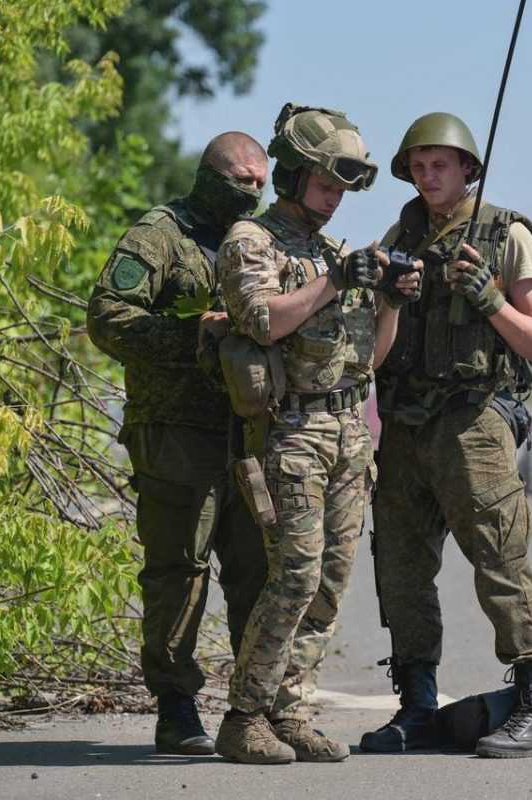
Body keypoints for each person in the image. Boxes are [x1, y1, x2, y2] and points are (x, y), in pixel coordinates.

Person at [212, 103, 420, 765]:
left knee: (330, 584)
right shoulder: (253, 241)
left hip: (348, 432)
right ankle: (245, 715)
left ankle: (290, 710)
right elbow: (264, 321)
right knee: (294, 578)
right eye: (326, 185)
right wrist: (335, 281)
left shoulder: (335, 252)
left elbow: (373, 357)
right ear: (295, 176)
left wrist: (390, 298)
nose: (333, 201)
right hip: (292, 433)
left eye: (341, 190)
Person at [360, 112, 532, 759]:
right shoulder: (402, 234)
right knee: (401, 569)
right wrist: (389, 296)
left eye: (439, 163)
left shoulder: (507, 235)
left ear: (468, 167)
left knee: (500, 560)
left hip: (475, 422)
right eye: (417, 166)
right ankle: (417, 706)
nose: (428, 175)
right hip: (406, 427)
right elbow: (375, 356)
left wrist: (489, 297)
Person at [86, 132, 269, 755]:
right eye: (243, 179)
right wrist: (193, 336)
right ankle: (176, 705)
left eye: (262, 181)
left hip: (248, 434)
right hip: (175, 436)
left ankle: (255, 706)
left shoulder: (260, 243)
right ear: (211, 175)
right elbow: (107, 317)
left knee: (257, 573)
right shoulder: (160, 235)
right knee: (179, 572)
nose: (254, 190)